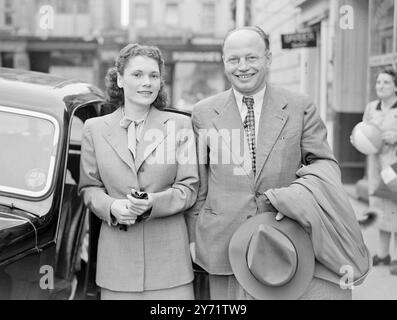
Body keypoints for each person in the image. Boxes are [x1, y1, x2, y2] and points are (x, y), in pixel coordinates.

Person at [186, 26, 370, 300]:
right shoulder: (202, 113)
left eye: (252, 58)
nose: (242, 67)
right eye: (233, 59)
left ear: (268, 59)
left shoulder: (299, 106)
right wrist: (193, 236)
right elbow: (198, 183)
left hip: (284, 241)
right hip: (222, 245)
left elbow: (324, 164)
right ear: (224, 61)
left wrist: (291, 195)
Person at [78, 43, 199, 299]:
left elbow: (189, 188)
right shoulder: (94, 128)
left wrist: (152, 203)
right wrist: (112, 207)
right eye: (137, 75)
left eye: (153, 76)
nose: (147, 82)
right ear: (119, 79)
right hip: (117, 266)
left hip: (170, 267)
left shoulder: (181, 126)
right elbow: (89, 188)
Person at [364, 68, 397, 275]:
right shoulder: (371, 108)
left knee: (396, 208)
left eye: (386, 82)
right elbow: (363, 131)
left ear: (395, 86)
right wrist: (356, 139)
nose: (381, 86)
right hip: (376, 167)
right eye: (378, 82)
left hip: (394, 167)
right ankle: (383, 254)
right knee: (381, 210)